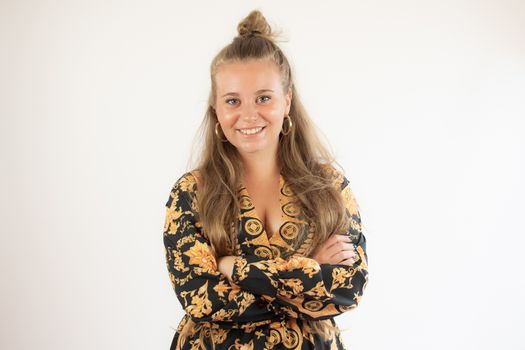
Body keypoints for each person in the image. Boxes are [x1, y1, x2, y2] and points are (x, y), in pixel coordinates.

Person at [163, 9, 368, 350]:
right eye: (232, 101)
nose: (248, 114)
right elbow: (199, 296)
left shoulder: (329, 186)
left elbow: (349, 288)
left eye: (263, 98)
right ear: (216, 107)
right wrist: (310, 271)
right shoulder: (190, 193)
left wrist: (232, 267)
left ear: (286, 100)